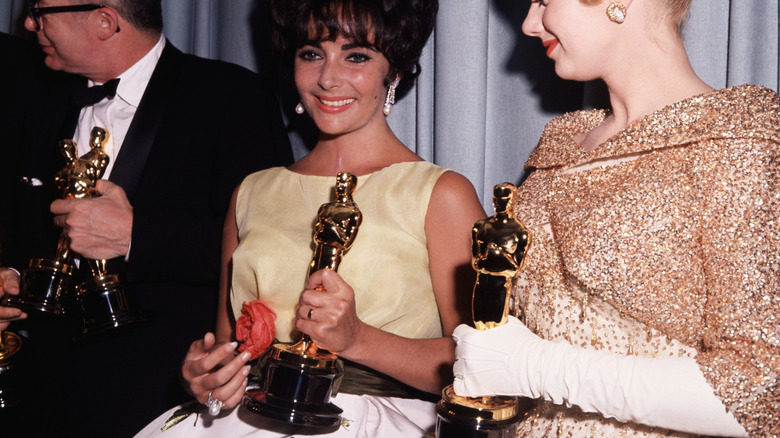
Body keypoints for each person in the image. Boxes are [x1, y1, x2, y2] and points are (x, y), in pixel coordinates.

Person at [137, 0, 486, 436]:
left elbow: (483, 369)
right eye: (311, 54)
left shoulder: (441, 194)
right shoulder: (251, 192)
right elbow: (228, 348)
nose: (327, 77)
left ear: (394, 71)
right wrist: (207, 378)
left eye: (356, 55)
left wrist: (358, 339)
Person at [452, 0, 779, 437]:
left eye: (544, 0)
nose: (531, 24)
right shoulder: (561, 145)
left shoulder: (739, 141)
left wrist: (534, 367)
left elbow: (760, 391)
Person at [0, 1, 293, 436]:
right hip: (39, 399)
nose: (28, 23)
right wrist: (10, 275)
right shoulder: (36, 94)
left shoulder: (232, 96)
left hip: (163, 398)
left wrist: (138, 235)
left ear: (105, 21)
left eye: (41, 12)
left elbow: (267, 253)